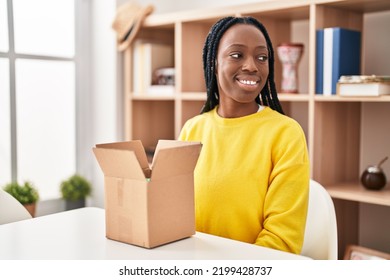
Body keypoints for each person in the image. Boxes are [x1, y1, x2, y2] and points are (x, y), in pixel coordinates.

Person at [178, 16, 310, 254]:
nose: (252, 66)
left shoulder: (286, 134)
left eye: (262, 57)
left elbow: (281, 241)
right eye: (237, 55)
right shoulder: (192, 129)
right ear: (214, 63)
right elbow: (173, 214)